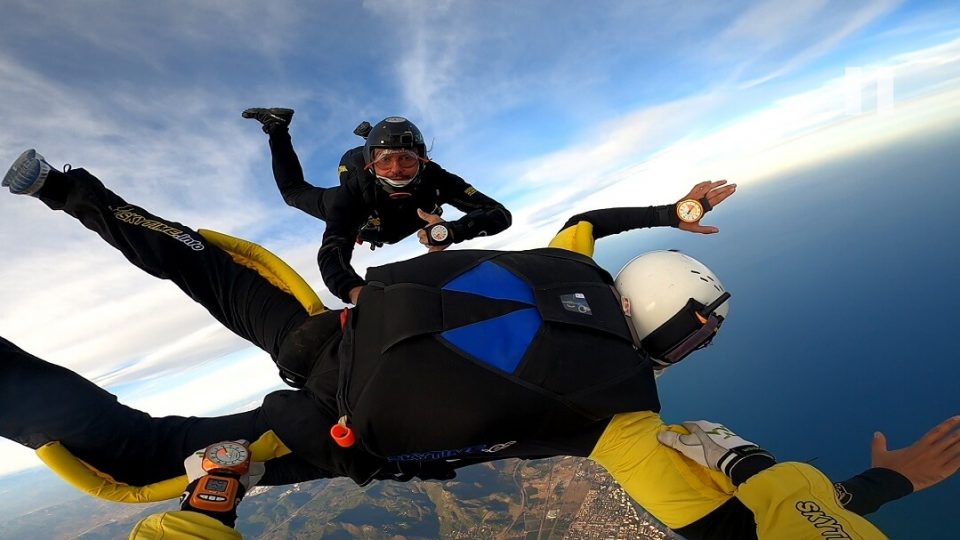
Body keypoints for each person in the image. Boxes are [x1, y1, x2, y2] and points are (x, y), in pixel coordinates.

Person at [2, 149, 945, 538]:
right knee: (133, 453)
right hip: (324, 420)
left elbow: (589, 218)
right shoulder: (621, 419)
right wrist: (871, 490)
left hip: (329, 329)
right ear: (667, 334)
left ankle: (65, 188)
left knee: (207, 266)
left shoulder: (567, 263)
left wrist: (675, 210)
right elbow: (738, 528)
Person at [242, 109, 513, 304]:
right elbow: (332, 251)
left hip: (388, 219)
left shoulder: (436, 178)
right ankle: (276, 126)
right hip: (360, 206)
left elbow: (499, 213)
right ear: (371, 165)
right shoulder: (350, 195)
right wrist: (355, 291)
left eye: (406, 159)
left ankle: (372, 138)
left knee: (299, 193)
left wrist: (453, 231)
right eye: (385, 161)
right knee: (293, 193)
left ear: (422, 159)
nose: (396, 170)